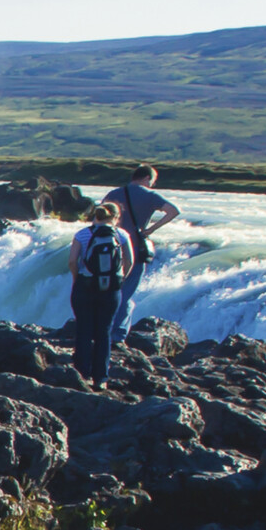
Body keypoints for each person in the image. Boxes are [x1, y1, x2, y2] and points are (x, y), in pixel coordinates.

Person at [101, 163, 180, 344]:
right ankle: (117, 335)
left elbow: (98, 217)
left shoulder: (113, 194)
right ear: (146, 178)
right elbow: (173, 211)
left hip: (109, 247)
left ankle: (102, 328)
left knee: (109, 290)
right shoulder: (150, 195)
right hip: (134, 249)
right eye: (152, 181)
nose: (152, 185)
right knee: (126, 293)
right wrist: (151, 229)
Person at [68, 210, 134, 383]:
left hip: (85, 285)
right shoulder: (121, 235)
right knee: (104, 331)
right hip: (111, 289)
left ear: (95, 216)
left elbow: (72, 261)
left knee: (83, 329)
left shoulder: (82, 234)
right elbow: (130, 261)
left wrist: (77, 279)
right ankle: (101, 378)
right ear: (115, 217)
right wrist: (121, 279)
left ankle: (81, 375)